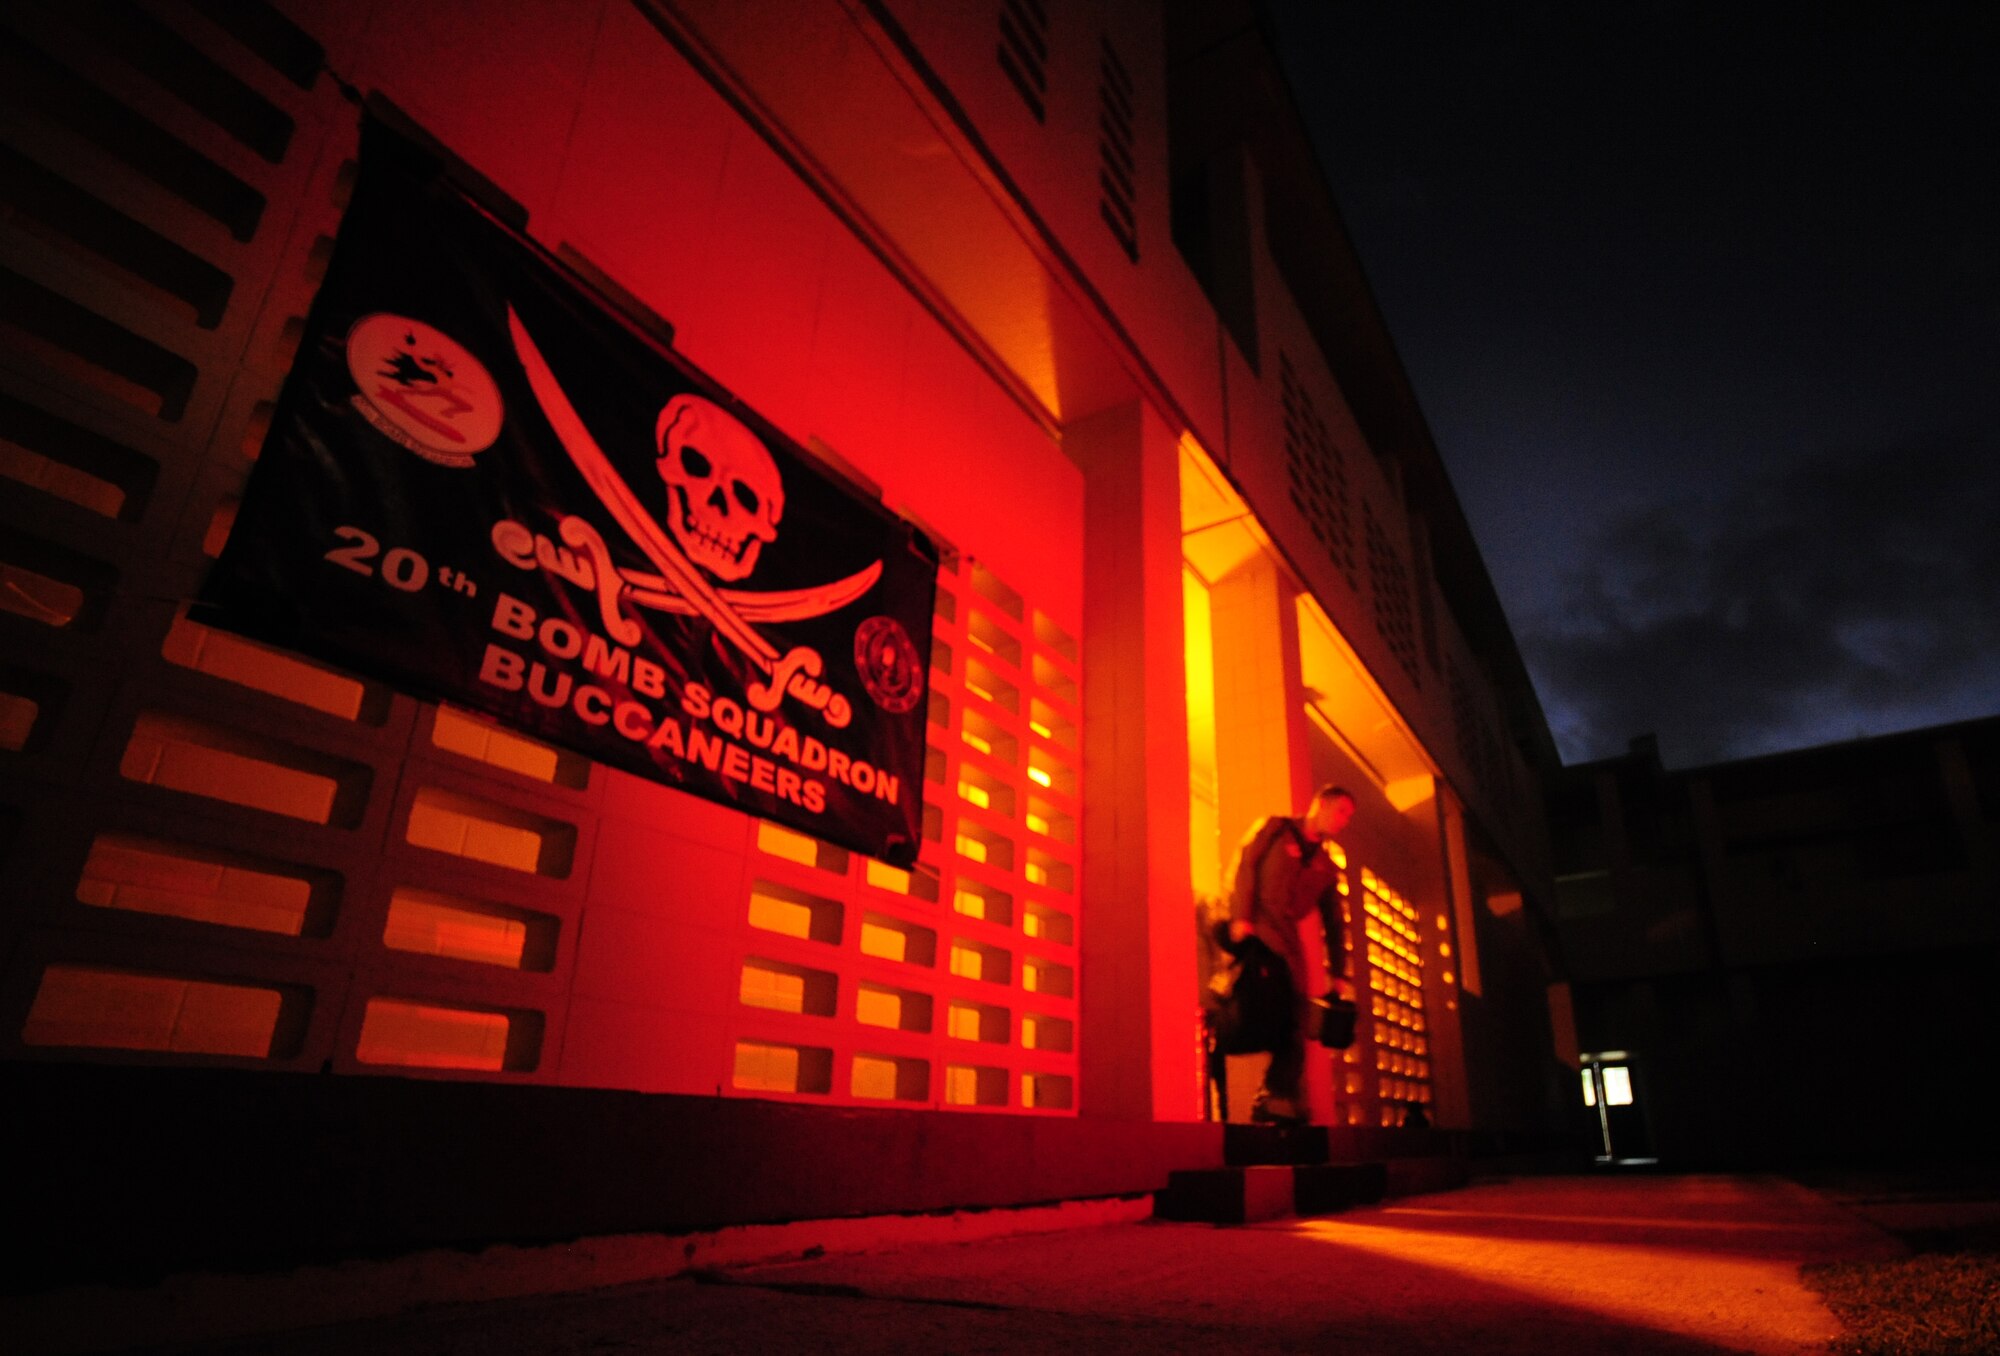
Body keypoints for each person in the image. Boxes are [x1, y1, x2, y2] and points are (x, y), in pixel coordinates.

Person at [1225, 783, 1357, 1125]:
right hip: (1255, 934)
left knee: (1298, 1021)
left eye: (1348, 816)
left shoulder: (1326, 868)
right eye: (1341, 811)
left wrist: (1338, 972)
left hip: (1287, 943)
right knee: (1261, 1008)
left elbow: (1334, 922)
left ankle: (1276, 1097)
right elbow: (1245, 864)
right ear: (1320, 804)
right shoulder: (1275, 828)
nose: (1344, 821)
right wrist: (1241, 916)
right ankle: (1277, 1096)